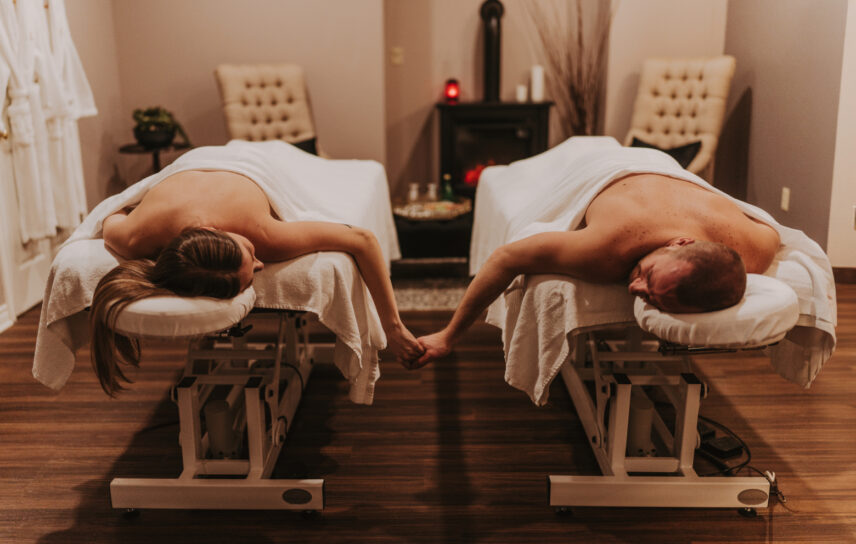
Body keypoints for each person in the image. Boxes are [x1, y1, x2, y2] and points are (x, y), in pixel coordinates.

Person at [90, 169, 424, 395]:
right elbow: (113, 213)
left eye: (251, 253)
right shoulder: (132, 238)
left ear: (213, 232)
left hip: (248, 165)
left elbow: (362, 240)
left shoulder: (264, 235)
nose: (262, 263)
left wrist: (393, 327)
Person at [412, 172, 781, 369]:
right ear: (680, 242)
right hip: (606, 167)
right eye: (647, 276)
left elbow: (775, 231)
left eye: (652, 298)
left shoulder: (757, 248)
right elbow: (507, 258)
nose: (635, 288)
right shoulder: (608, 249)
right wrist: (449, 335)